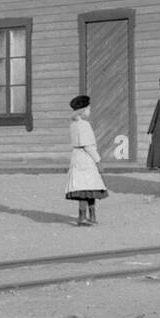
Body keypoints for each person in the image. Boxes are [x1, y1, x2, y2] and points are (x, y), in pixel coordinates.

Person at [64, 95, 107, 226]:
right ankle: (88, 216)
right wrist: (98, 160)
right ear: (83, 111)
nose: (89, 111)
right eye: (88, 109)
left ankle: (84, 216)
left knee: (82, 188)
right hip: (86, 159)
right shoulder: (84, 125)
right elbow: (88, 145)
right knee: (88, 188)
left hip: (76, 158)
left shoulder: (73, 124)